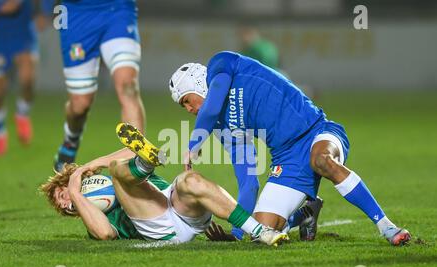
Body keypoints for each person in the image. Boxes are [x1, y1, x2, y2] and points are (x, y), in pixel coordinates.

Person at [168, 51, 411, 246]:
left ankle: (386, 226)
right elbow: (248, 182)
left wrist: (194, 144)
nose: (188, 109)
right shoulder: (223, 128)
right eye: (183, 107)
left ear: (198, 83)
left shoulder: (221, 65)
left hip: (317, 131)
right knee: (263, 231)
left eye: (186, 100)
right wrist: (238, 233)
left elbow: (210, 107)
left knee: (322, 160)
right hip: (288, 158)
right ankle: (305, 213)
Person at [40, 123, 287, 246]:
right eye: (63, 205)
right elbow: (104, 234)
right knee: (117, 173)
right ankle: (146, 164)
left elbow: (127, 150)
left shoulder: (99, 177)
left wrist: (89, 165)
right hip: (160, 226)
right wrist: (74, 189)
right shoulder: (94, 218)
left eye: (62, 193)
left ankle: (260, 232)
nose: (66, 201)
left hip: (178, 204)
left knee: (190, 179)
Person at [52, 0, 146, 172]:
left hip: (118, 10)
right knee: (80, 105)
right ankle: (71, 140)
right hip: (75, 15)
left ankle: (139, 161)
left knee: (128, 85)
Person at [0, 0, 38, 156]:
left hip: (24, 37)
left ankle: (22, 115)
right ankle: (0, 134)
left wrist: (44, 13)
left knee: (28, 80)